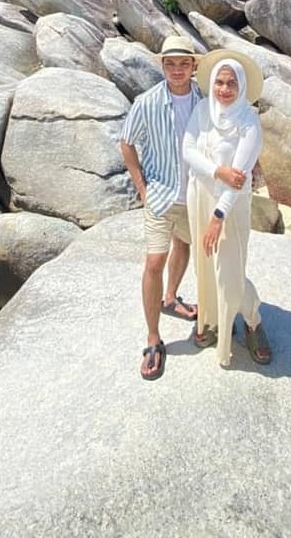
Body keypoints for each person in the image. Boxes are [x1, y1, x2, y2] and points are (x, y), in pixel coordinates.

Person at [120, 34, 203, 382]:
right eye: (171, 63)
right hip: (160, 194)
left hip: (196, 195)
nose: (177, 69)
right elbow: (126, 144)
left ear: (194, 66)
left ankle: (170, 298)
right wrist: (141, 188)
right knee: (154, 261)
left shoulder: (206, 100)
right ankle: (153, 338)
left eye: (184, 63)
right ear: (162, 65)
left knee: (183, 246)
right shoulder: (147, 102)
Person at [183, 49, 271, 369]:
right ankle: (213, 321)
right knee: (205, 266)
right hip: (200, 194)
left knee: (230, 273)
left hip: (229, 207)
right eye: (219, 82)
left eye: (230, 83)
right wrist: (217, 171)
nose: (223, 89)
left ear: (242, 86)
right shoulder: (203, 111)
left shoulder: (248, 123)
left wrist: (218, 216)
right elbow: (188, 150)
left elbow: (239, 178)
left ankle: (252, 319)